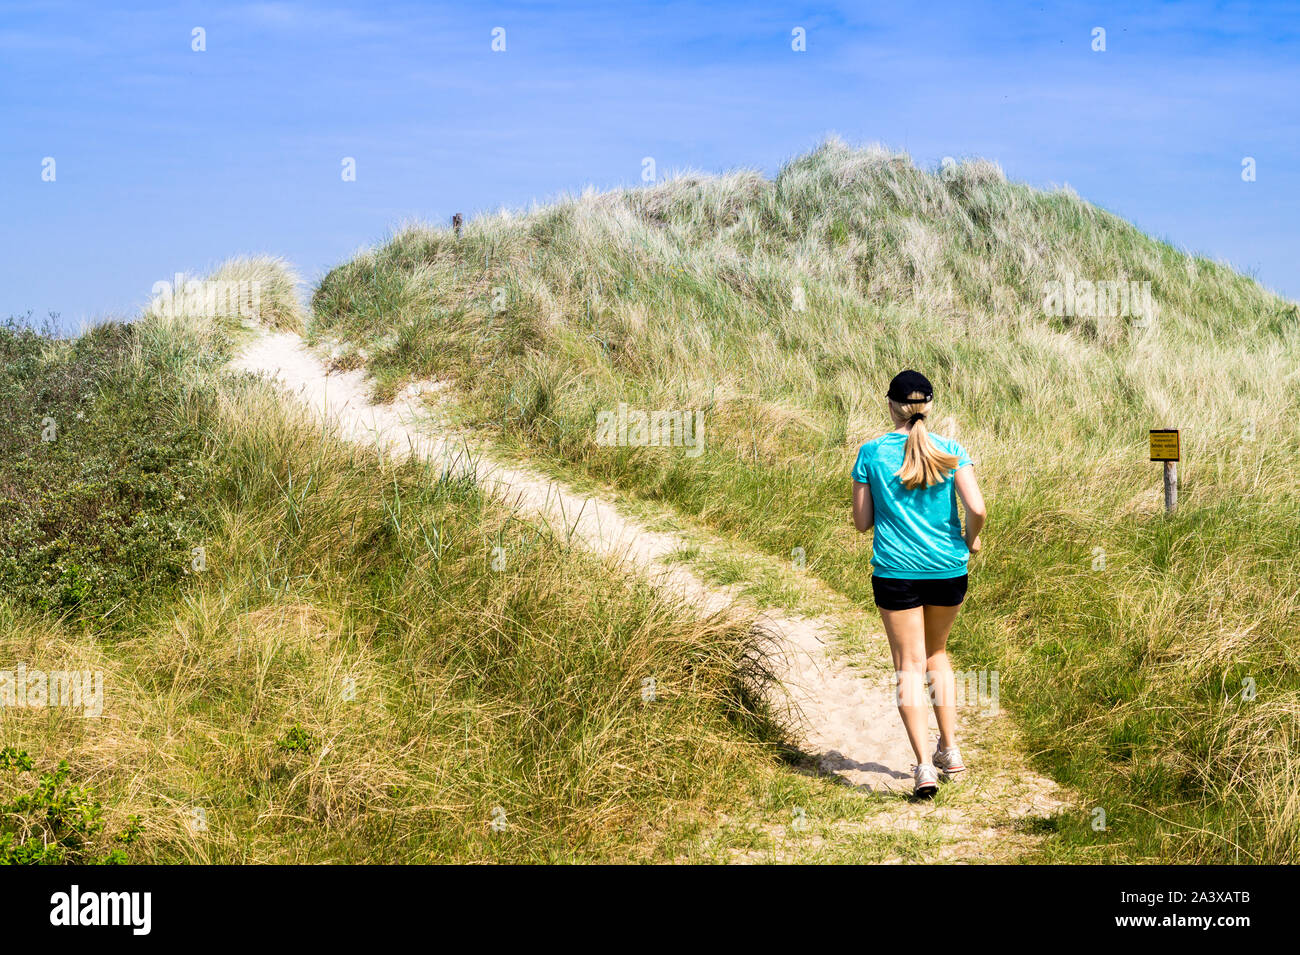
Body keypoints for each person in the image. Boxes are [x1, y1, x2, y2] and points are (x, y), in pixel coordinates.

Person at [851, 370, 986, 797]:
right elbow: (978, 507)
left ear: (890, 404)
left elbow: (861, 523)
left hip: (896, 572)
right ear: (929, 405)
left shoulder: (871, 452)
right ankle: (951, 749)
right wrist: (970, 538)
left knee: (908, 667)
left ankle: (925, 767)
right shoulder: (951, 449)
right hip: (948, 568)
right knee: (937, 654)